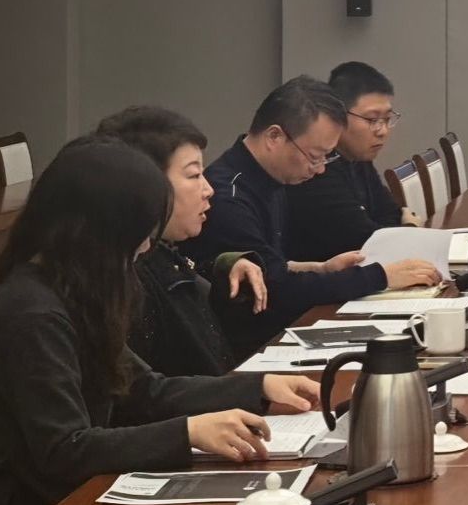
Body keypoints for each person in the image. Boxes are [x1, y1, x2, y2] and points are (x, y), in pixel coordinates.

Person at [0, 137, 321, 505]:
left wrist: (258, 389)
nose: (146, 248)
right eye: (140, 236)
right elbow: (63, 450)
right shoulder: (32, 314)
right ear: (100, 234)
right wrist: (187, 433)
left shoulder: (71, 290)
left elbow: (144, 389)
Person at [184, 75, 443, 354]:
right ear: (274, 137)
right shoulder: (228, 197)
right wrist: (381, 276)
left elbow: (272, 266)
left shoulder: (272, 178)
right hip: (251, 350)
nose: (320, 169)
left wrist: (320, 268)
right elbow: (276, 291)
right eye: (315, 156)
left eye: (327, 157)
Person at [96, 104, 262, 376]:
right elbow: (152, 390)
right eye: (194, 175)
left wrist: (223, 268)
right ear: (144, 182)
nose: (208, 190)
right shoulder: (120, 281)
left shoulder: (160, 254)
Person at [285, 61, 418, 264]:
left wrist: (394, 228)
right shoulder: (317, 169)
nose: (382, 131)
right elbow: (366, 242)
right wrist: (409, 227)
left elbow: (391, 212)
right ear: (338, 115)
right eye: (372, 119)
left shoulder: (358, 158)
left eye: (387, 119)